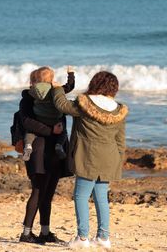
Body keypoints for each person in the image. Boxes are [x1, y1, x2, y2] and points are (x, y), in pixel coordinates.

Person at [52, 71, 128, 249]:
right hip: (110, 157)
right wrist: (118, 160)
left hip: (88, 156)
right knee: (101, 197)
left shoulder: (84, 104)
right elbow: (120, 141)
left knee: (81, 196)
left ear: (95, 83)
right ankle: (103, 237)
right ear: (114, 88)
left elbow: (62, 105)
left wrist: (57, 89)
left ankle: (83, 238)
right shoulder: (118, 110)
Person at [18, 68, 73, 244]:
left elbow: (65, 105)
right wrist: (50, 130)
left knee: (48, 193)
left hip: (55, 149)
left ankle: (45, 232)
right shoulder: (28, 97)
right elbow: (26, 122)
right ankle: (26, 233)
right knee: (38, 191)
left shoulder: (55, 94)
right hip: (38, 149)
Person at [22, 66, 75, 161]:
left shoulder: (32, 91)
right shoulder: (54, 89)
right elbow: (70, 86)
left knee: (30, 133)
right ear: (52, 79)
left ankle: (28, 146)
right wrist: (70, 74)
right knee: (63, 132)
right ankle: (59, 145)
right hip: (55, 120)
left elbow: (25, 93)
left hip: (40, 119)